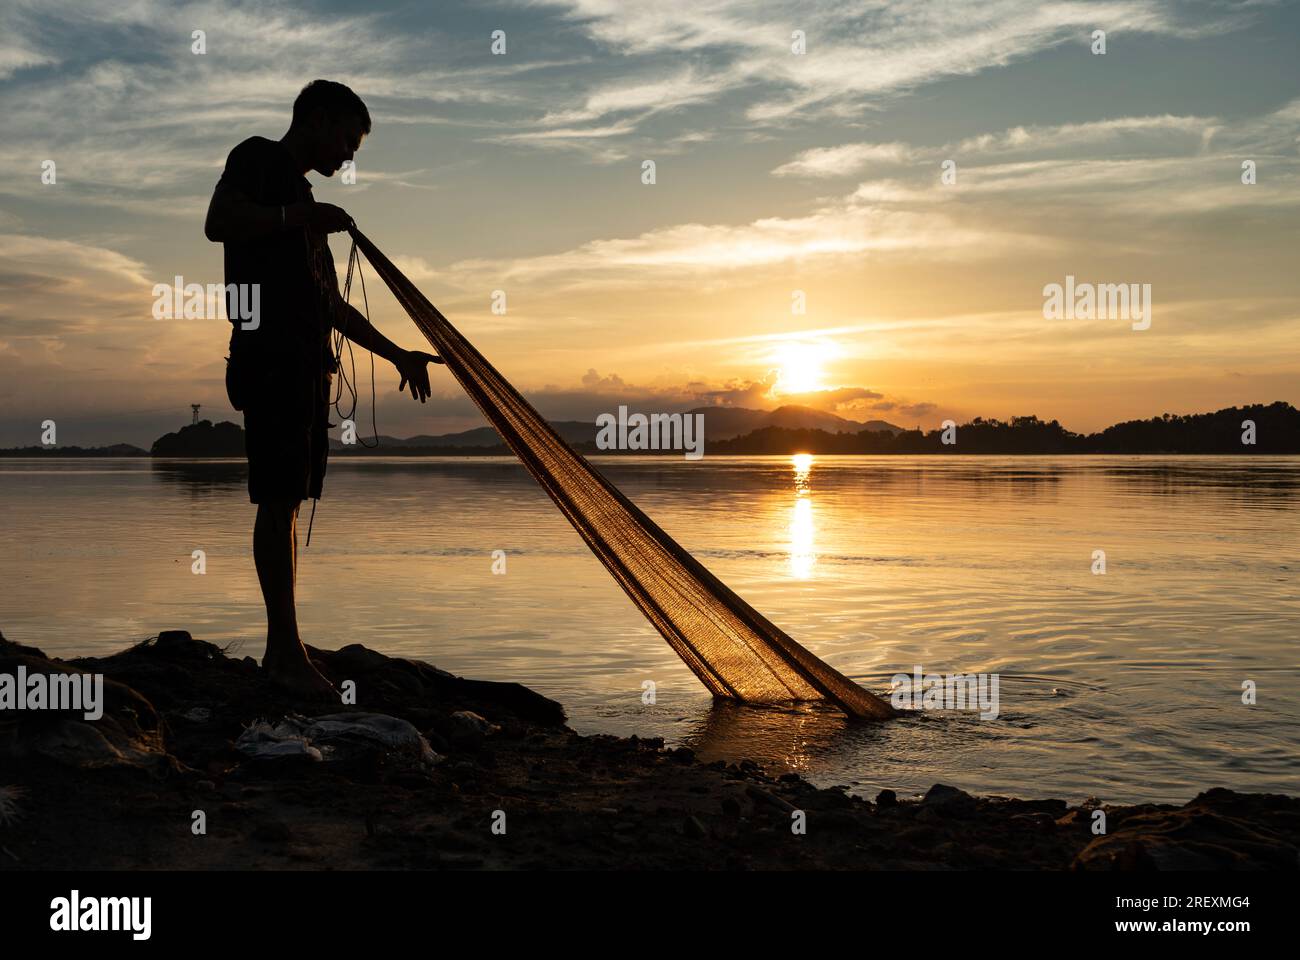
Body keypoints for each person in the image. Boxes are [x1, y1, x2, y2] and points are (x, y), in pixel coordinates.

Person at [204, 79, 441, 698]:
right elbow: (217, 222)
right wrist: (295, 217)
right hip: (270, 361)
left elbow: (331, 305)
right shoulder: (258, 159)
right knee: (276, 500)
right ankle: (283, 654)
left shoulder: (309, 205)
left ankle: (286, 645)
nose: (350, 156)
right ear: (316, 119)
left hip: (308, 367)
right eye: (347, 138)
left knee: (290, 500)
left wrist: (399, 354)